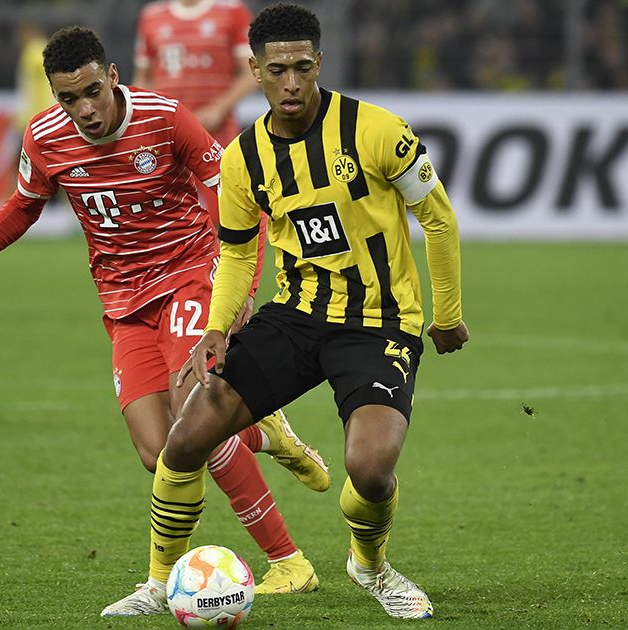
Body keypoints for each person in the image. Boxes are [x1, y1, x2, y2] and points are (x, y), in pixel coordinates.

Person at [0, 26, 329, 609]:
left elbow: (233, 196)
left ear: (113, 75)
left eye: (93, 91)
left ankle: (284, 562)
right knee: (160, 451)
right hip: (123, 304)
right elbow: (24, 203)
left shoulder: (166, 119)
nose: (85, 110)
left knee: (195, 419)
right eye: (69, 99)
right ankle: (263, 429)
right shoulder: (45, 138)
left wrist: (237, 283)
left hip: (190, 276)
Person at [112, 2, 468, 621]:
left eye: (303, 67)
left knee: (370, 468)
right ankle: (159, 580)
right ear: (254, 70)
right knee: (185, 438)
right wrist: (217, 330)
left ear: (319, 63)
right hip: (297, 313)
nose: (292, 83)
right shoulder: (242, 159)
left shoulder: (378, 131)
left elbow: (437, 217)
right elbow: (236, 253)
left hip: (379, 318)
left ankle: (372, 566)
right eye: (277, 70)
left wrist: (446, 314)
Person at [134, 0, 258, 148]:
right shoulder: (152, 15)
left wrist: (219, 108)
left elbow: (251, 71)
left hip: (217, 131)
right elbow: (143, 77)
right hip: (167, 132)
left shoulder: (232, 11)